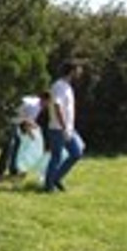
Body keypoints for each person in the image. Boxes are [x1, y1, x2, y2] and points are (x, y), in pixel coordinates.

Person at [0, 91, 51, 181]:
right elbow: (26, 124)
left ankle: (14, 170)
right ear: (45, 100)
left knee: (17, 144)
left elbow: (27, 119)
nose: (49, 106)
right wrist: (33, 136)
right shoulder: (35, 107)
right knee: (9, 146)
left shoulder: (35, 102)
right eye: (49, 103)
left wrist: (34, 127)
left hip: (14, 119)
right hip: (9, 120)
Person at [45, 61, 85, 192]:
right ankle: (49, 186)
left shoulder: (67, 86)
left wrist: (68, 128)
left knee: (77, 152)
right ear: (71, 71)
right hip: (58, 128)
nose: (80, 72)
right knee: (56, 156)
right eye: (78, 69)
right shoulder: (59, 86)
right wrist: (64, 128)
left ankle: (56, 178)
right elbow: (57, 106)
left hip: (67, 128)